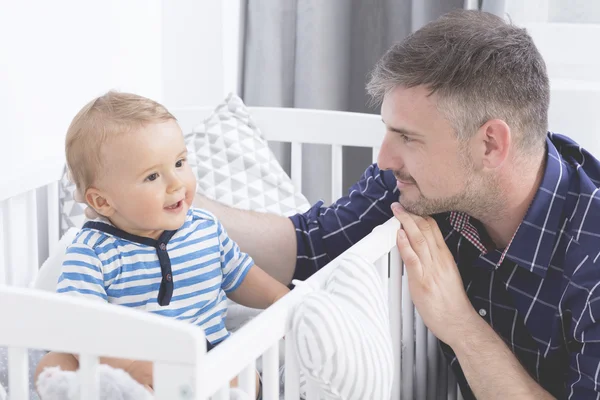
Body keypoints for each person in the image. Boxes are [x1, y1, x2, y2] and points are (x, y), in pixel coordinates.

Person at [192, 10, 600, 399]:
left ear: (490, 144)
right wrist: (177, 198)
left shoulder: (590, 262)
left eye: (408, 138)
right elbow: (310, 247)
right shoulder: (423, 184)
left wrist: (459, 323)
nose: (385, 158)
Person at [35, 91, 289, 398]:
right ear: (102, 201)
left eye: (180, 162)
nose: (176, 183)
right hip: (121, 366)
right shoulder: (92, 250)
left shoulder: (205, 228)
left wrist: (283, 301)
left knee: (244, 376)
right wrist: (126, 366)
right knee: (53, 364)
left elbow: (241, 275)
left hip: (204, 358)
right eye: (153, 176)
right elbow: (79, 322)